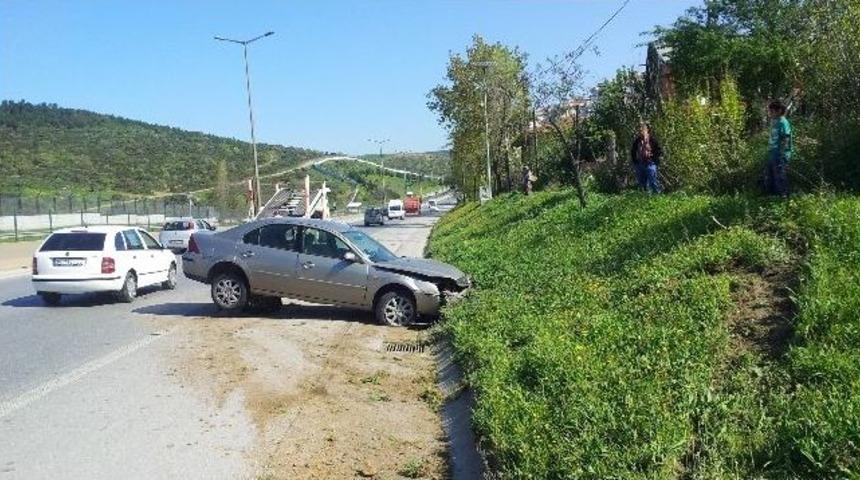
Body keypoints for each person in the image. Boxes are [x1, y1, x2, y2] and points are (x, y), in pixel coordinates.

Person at [763, 100, 792, 197]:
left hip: (780, 154)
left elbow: (786, 138)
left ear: (779, 111)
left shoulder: (783, 122)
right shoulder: (775, 122)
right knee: (770, 175)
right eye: (769, 111)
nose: (770, 114)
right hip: (772, 153)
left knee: (780, 176)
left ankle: (783, 196)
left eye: (772, 111)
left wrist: (782, 153)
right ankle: (772, 196)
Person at [630, 123, 663, 193]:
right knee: (642, 183)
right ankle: (644, 198)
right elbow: (633, 151)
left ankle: (657, 196)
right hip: (640, 164)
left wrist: (654, 158)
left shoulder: (652, 140)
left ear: (647, 130)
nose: (641, 132)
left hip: (650, 163)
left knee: (653, 182)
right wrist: (635, 161)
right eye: (639, 131)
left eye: (642, 130)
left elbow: (659, 150)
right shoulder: (637, 141)